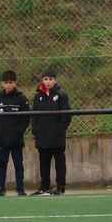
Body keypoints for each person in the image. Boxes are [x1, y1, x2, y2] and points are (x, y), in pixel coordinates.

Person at [0, 69, 30, 196]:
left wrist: (19, 131)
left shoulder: (21, 99)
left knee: (18, 164)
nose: (8, 85)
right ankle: (1, 188)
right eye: (5, 82)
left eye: (10, 82)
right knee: (1, 164)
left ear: (15, 83)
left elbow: (26, 118)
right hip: (1, 139)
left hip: (16, 139)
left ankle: (20, 189)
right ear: (2, 84)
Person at [31, 68, 72, 196]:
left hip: (57, 136)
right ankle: (45, 187)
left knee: (59, 162)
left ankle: (60, 186)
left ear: (55, 80)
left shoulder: (61, 96)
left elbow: (66, 115)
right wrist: (36, 131)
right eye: (45, 79)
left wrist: (59, 129)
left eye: (50, 79)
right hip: (42, 136)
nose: (48, 82)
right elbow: (34, 116)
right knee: (44, 162)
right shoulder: (38, 97)